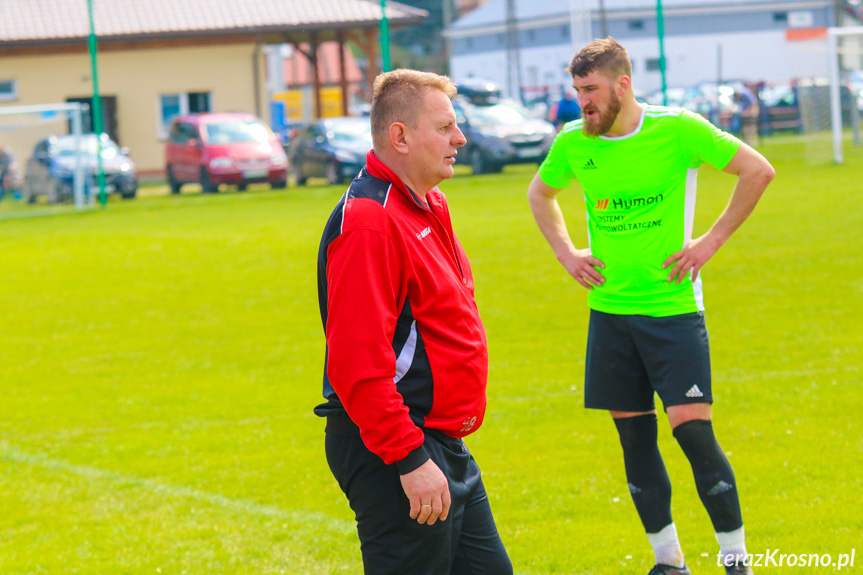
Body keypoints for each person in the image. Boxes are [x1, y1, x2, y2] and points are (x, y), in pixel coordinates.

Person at [527, 38, 774, 575]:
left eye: (590, 90)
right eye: (576, 92)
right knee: (634, 437)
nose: (582, 103)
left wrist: (708, 242)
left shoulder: (677, 129)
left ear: (623, 84)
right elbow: (539, 194)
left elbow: (759, 170)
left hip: (673, 310)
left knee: (693, 433)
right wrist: (566, 253)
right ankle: (669, 562)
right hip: (611, 314)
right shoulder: (574, 143)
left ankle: (736, 560)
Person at [315, 69, 512, 575]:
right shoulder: (369, 221)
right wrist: (409, 458)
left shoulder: (428, 204)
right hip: (396, 445)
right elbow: (358, 364)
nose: (460, 138)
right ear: (399, 136)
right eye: (445, 126)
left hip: (440, 440)